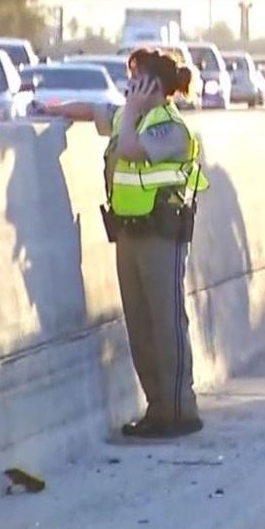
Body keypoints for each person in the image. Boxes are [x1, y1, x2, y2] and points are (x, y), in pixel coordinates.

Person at [49, 48, 210, 438]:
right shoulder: (129, 117)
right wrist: (53, 108)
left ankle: (179, 409)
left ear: (152, 85)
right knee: (140, 326)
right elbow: (95, 111)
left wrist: (133, 111)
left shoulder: (169, 127)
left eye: (135, 80)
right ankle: (157, 409)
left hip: (161, 235)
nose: (128, 87)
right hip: (129, 234)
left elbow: (129, 149)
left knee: (166, 325)